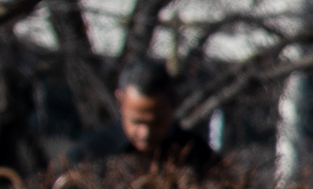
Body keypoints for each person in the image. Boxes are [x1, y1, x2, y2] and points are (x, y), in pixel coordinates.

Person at [85, 56, 218, 172]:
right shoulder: (90, 156)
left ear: (173, 103)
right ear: (120, 102)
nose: (145, 133)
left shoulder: (199, 157)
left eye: (156, 122)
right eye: (137, 121)